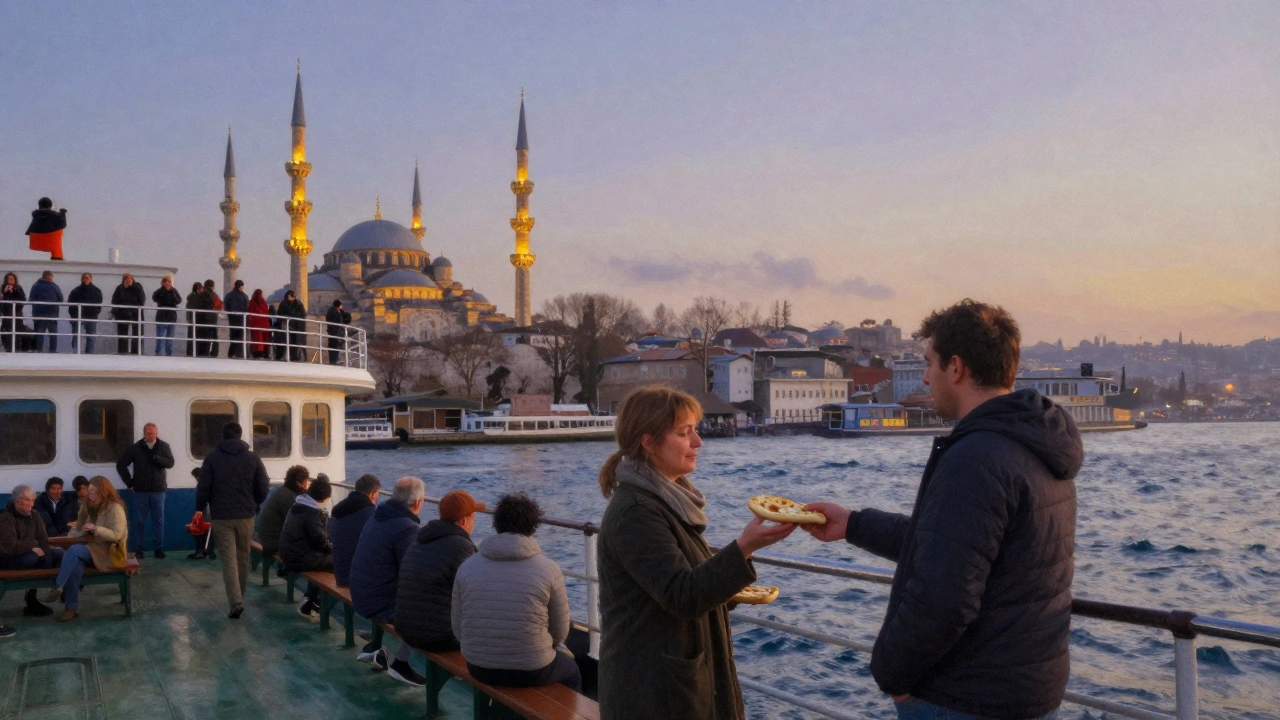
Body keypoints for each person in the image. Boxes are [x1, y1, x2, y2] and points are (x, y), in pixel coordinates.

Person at [804, 300, 1081, 720]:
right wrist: (855, 525)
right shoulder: (1036, 445)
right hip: (1029, 693)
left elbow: (945, 597)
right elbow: (954, 546)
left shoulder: (976, 457)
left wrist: (891, 676)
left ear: (956, 368)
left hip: (964, 698)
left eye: (928, 363)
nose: (925, 376)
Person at [596, 385, 796, 720]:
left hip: (669, 680)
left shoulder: (665, 501)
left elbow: (677, 584)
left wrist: (731, 587)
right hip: (653, 692)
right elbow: (682, 595)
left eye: (695, 431)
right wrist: (745, 546)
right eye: (684, 433)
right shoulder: (636, 512)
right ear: (648, 442)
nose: (698, 442)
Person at [453, 493, 580, 693]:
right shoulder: (549, 569)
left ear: (497, 524)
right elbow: (560, 632)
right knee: (572, 671)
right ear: (533, 526)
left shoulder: (467, 566)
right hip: (532, 668)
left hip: (479, 666)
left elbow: (458, 628)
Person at [397, 490, 482, 697]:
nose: (474, 523)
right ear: (463, 520)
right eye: (473, 518)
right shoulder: (463, 547)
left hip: (404, 625)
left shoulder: (421, 537)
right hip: (435, 635)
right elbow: (476, 596)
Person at [349, 476, 425, 686]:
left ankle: (377, 648)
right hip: (377, 603)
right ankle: (401, 663)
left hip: (361, 595)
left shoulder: (378, 516)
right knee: (432, 609)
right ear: (418, 503)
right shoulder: (407, 528)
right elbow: (412, 574)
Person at [196, 422, 270, 618]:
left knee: (229, 560)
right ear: (240, 436)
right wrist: (255, 503)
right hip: (246, 515)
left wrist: (198, 509)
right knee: (243, 557)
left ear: (223, 436)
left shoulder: (212, 458)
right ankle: (241, 597)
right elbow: (264, 485)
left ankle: (235, 602)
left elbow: (203, 487)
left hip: (221, 516)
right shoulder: (252, 458)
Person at [46, 476, 129, 622]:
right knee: (75, 565)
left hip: (110, 552)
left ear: (103, 492)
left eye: (94, 492)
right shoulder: (91, 507)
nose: (90, 495)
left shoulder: (115, 509)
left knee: (74, 551)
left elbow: (117, 535)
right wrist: (77, 531)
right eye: (90, 492)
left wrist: (96, 529)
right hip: (93, 548)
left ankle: (58, 586)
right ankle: (70, 608)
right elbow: (81, 529)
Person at [0, 484, 64, 617]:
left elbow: (43, 539)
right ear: (18, 501)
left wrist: (45, 554)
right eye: (28, 501)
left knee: (58, 553)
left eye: (33, 500)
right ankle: (31, 598)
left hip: (33, 553)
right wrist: (32, 546)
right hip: (9, 558)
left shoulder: (34, 515)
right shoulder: (6, 518)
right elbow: (9, 546)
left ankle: (59, 588)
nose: (31, 504)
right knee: (32, 557)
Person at [116, 422, 175, 559]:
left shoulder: (164, 447)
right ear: (144, 433)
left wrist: (157, 459)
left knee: (158, 521)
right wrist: (129, 482)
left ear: (157, 433)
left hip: (158, 491)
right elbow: (121, 464)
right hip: (141, 491)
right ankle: (138, 549)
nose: (151, 436)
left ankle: (159, 548)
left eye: (154, 433)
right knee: (139, 521)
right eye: (149, 433)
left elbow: (171, 463)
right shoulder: (136, 448)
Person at [281, 479, 334, 620]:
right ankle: (314, 603)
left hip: (289, 554)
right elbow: (322, 542)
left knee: (322, 560)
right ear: (326, 498)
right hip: (298, 559)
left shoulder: (299, 505)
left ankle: (310, 599)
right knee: (338, 562)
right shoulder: (312, 513)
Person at [329, 473, 379, 588]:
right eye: (377, 494)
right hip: (357, 577)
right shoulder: (371, 514)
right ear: (372, 493)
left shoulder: (340, 509)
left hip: (340, 571)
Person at [256, 465, 309, 561]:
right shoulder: (289, 498)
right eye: (306, 482)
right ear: (299, 483)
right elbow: (296, 526)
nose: (307, 484)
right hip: (274, 543)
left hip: (267, 538)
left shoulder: (283, 491)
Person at [67, 272, 103, 354]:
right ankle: (76, 351)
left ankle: (89, 352)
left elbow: (99, 304)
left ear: (91, 279)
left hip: (91, 316)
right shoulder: (75, 291)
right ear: (81, 279)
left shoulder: (97, 291)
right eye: (84, 277)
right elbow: (70, 303)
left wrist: (95, 313)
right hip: (78, 316)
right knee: (76, 335)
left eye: (87, 277)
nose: (86, 279)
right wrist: (73, 315)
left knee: (91, 336)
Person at [110, 273, 145, 355]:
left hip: (136, 314)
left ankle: (136, 352)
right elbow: (114, 301)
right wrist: (123, 289)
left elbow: (142, 299)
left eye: (130, 278)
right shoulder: (120, 288)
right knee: (123, 334)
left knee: (137, 334)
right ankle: (122, 352)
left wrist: (132, 286)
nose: (128, 280)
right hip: (123, 313)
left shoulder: (138, 287)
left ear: (133, 279)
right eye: (126, 279)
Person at [28, 270, 62, 353]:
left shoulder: (35, 286)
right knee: (53, 334)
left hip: (39, 314)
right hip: (52, 314)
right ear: (49, 277)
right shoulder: (54, 286)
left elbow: (31, 298)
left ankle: (38, 350)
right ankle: (52, 350)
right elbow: (60, 299)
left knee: (39, 334)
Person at [187, 467, 215, 560]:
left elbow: (201, 500)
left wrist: (198, 512)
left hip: (205, 512)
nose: (196, 479)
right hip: (211, 512)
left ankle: (201, 551)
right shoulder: (211, 483)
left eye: (196, 477)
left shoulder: (203, 485)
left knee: (200, 531)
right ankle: (210, 551)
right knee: (210, 532)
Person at [151, 275, 182, 356]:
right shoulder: (159, 291)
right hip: (162, 317)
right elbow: (154, 298)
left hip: (172, 317)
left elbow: (179, 300)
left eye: (170, 281)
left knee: (170, 338)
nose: (169, 283)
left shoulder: (174, 291)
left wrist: (172, 291)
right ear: (163, 283)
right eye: (167, 281)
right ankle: (158, 353)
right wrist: (164, 291)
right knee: (160, 337)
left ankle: (169, 354)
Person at [277, 289, 307, 362]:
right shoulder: (284, 303)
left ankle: (297, 357)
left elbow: (301, 315)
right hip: (286, 326)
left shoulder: (298, 304)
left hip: (297, 327)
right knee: (285, 341)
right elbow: (280, 314)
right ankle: (285, 356)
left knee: (297, 342)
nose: (288, 298)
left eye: (290, 296)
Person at [224, 279, 249, 359]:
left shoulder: (229, 295)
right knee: (240, 337)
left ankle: (232, 353)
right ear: (240, 286)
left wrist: (230, 314)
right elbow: (247, 307)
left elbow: (226, 306)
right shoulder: (244, 296)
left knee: (233, 336)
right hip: (241, 319)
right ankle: (238, 353)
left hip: (232, 319)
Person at [1, 272, 25, 352]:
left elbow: (22, 299)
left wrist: (14, 290)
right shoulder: (3, 288)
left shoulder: (18, 288)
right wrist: (5, 292)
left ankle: (17, 348)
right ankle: (8, 348)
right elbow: (3, 299)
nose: (10, 280)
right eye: (8, 279)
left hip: (17, 312)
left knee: (17, 330)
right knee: (6, 330)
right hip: (7, 313)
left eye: (11, 279)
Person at [325, 299, 351, 365]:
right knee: (334, 347)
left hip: (337, 333)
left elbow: (345, 316)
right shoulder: (333, 311)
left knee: (337, 347)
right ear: (339, 305)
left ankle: (335, 361)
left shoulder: (338, 311)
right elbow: (335, 322)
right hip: (335, 333)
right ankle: (333, 362)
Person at [247, 289, 272, 359]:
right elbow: (266, 311)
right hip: (263, 324)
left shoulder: (252, 302)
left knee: (258, 340)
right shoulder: (262, 302)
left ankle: (258, 353)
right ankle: (265, 353)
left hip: (256, 324)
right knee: (263, 339)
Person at [203, 279, 222, 357]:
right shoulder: (215, 295)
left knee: (206, 336)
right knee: (214, 336)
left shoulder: (204, 294)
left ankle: (205, 352)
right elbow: (220, 305)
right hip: (214, 317)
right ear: (213, 286)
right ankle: (214, 352)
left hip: (205, 317)